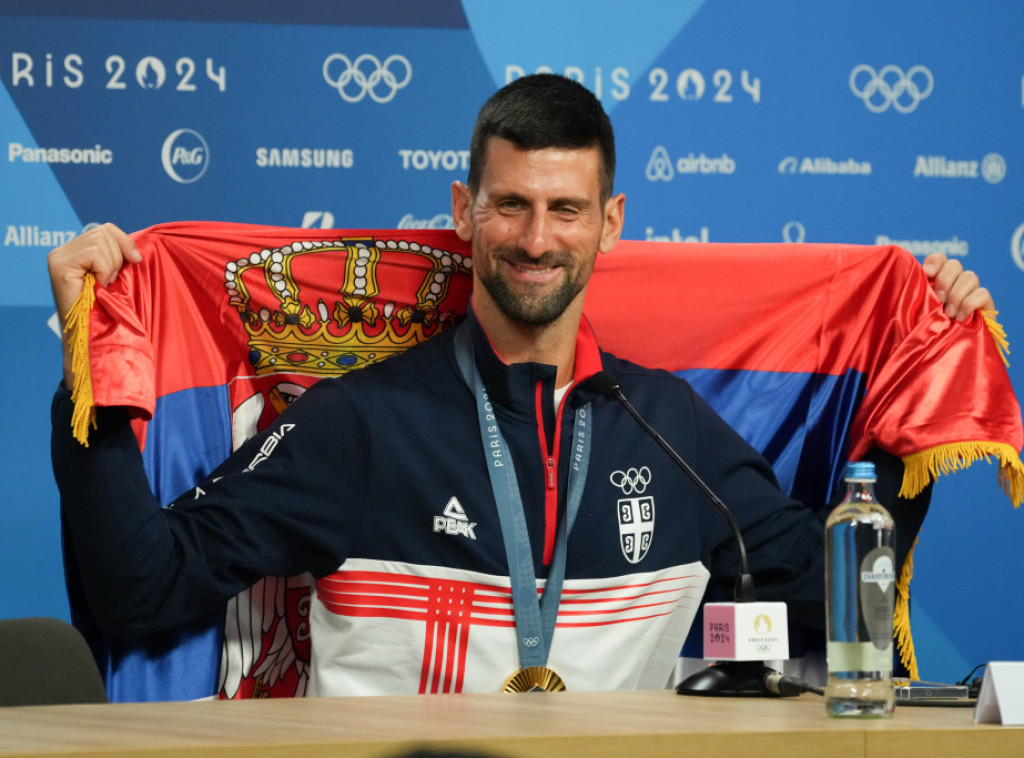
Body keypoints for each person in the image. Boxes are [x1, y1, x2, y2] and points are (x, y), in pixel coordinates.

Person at [49, 74, 994, 697]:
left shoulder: (668, 427)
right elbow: (146, 588)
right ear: (465, 212)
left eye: (565, 209)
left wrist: (920, 398)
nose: (537, 240)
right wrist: (96, 372)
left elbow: (841, 598)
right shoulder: (359, 425)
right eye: (511, 205)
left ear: (610, 223)